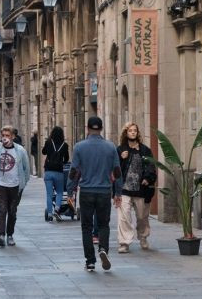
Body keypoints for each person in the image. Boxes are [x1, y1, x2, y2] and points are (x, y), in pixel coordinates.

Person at [67, 116, 122, 272]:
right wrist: (118, 192)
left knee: (86, 227)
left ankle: (90, 261)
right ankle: (103, 248)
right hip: (104, 191)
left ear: (88, 128)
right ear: (101, 129)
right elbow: (117, 171)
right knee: (104, 224)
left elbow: (74, 171)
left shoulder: (79, 147)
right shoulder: (110, 147)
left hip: (87, 191)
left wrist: (70, 190)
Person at [116, 122, 156, 253]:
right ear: (126, 133)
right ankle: (124, 242)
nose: (133, 132)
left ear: (137, 133)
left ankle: (143, 237)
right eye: (130, 130)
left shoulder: (145, 150)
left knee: (142, 217)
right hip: (125, 189)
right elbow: (115, 170)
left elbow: (151, 166)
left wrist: (147, 178)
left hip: (141, 190)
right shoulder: (121, 149)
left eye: (135, 130)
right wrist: (121, 159)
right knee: (124, 217)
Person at [0, 126, 30, 247]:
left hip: (16, 186)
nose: (5, 138)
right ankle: (1, 235)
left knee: (12, 211)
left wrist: (23, 183)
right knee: (2, 210)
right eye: (3, 136)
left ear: (13, 137)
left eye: (8, 136)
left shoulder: (20, 151)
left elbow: (26, 169)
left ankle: (10, 234)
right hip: (0, 185)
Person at [42, 126, 70, 222]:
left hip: (48, 171)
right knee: (60, 192)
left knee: (49, 194)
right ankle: (57, 209)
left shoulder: (48, 142)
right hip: (59, 171)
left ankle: (49, 214)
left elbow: (43, 152)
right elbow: (66, 159)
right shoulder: (65, 145)